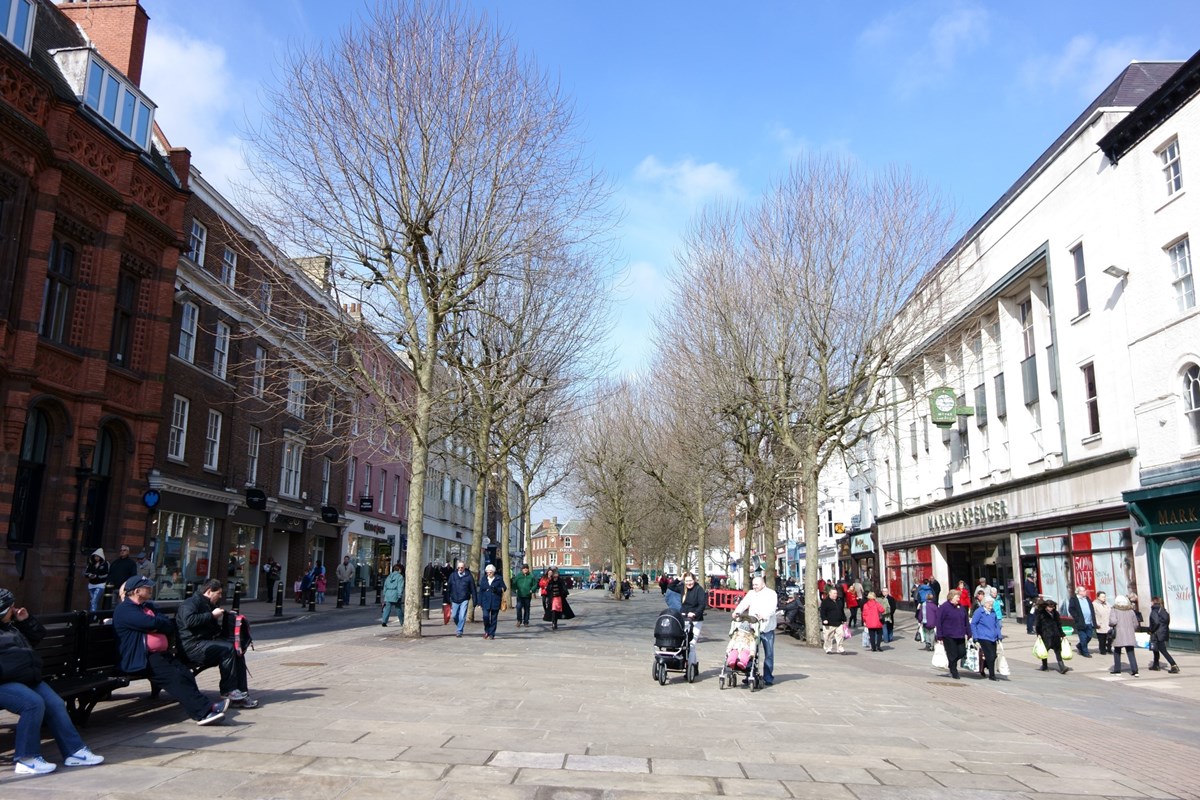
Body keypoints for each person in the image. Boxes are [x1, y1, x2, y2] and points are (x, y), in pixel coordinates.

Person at [0, 588, 105, 776]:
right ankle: (26, 759)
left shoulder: (11, 626)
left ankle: (75, 752)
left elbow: (37, 636)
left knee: (54, 702)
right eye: (11, 606)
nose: (14, 609)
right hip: (4, 682)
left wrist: (26, 620)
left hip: (25, 678)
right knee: (32, 704)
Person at [113, 577, 228, 725]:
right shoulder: (125, 610)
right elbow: (152, 622)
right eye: (147, 587)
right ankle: (203, 713)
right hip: (142, 657)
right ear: (136, 591)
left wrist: (156, 626)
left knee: (185, 674)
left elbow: (167, 624)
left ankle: (207, 706)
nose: (151, 589)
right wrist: (156, 625)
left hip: (160, 655)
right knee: (175, 678)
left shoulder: (147, 607)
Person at [177, 579, 259, 709]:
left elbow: (212, 629)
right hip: (192, 646)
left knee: (237, 650)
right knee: (227, 649)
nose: (220, 596)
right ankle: (229, 691)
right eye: (219, 593)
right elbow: (188, 621)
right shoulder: (191, 603)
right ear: (209, 591)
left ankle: (242, 693)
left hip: (204, 643)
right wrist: (211, 615)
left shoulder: (207, 604)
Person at [731, 576, 778, 685]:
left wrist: (764, 615)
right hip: (753, 628)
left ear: (763, 584)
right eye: (753, 584)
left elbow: (772, 608)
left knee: (769, 654)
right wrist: (737, 612)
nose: (754, 587)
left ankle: (768, 677)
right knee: (750, 652)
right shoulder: (751, 593)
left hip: (767, 628)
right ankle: (749, 674)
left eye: (756, 585)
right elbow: (744, 604)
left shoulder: (771, 593)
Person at [936, 589, 969, 679]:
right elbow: (939, 622)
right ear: (951, 597)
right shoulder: (944, 607)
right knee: (952, 654)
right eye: (957, 597)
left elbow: (966, 620)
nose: (959, 599)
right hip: (949, 635)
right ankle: (954, 671)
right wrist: (939, 636)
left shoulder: (961, 608)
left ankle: (951, 663)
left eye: (959, 597)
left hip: (960, 634)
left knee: (962, 652)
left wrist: (969, 633)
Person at [676, 571, 707, 666]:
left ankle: (691, 667)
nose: (689, 583)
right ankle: (693, 664)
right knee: (682, 642)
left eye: (690, 581)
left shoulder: (699, 589)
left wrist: (695, 613)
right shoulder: (683, 588)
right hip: (683, 617)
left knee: (691, 643)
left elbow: (702, 604)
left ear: (694, 580)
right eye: (686, 581)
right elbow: (670, 587)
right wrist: (679, 579)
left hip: (695, 620)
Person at [971, 594, 1002, 681]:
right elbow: (973, 624)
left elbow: (997, 625)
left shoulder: (993, 612)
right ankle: (992, 675)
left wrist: (999, 635)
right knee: (990, 656)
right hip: (983, 637)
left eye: (992, 603)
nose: (990, 605)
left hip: (993, 637)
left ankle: (984, 665)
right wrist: (975, 636)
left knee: (994, 655)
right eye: (989, 603)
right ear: (984, 603)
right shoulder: (979, 612)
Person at [1035, 598, 1069, 674]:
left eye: (1052, 607)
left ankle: (1062, 667)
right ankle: (1044, 665)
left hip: (1056, 635)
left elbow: (1059, 625)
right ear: (1046, 606)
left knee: (1058, 651)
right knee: (1045, 651)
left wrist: (1062, 635)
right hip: (1046, 635)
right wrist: (1039, 634)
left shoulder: (1056, 613)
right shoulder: (1041, 614)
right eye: (1050, 607)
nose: (1051, 608)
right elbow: (1038, 625)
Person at [1109, 594, 1139, 676]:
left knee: (1117, 651)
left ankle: (1117, 670)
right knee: (1130, 652)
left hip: (1119, 633)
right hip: (1129, 634)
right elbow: (1135, 624)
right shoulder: (1130, 610)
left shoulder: (1114, 610)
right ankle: (1135, 671)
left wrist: (1110, 624)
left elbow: (1113, 621)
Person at [1148, 596, 1180, 673]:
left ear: (1154, 602)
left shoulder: (1154, 611)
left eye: (1152, 601)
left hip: (1157, 633)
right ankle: (1156, 665)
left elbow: (1156, 622)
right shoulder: (1164, 611)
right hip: (1163, 633)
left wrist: (1151, 630)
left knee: (1163, 650)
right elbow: (1167, 622)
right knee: (1155, 649)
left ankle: (1174, 665)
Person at [447, 560, 476, 637]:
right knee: (454, 615)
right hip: (455, 599)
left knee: (462, 616)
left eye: (462, 567)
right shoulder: (453, 576)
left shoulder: (469, 576)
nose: (460, 569)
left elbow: (473, 589)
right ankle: (459, 625)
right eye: (459, 567)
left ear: (464, 568)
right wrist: (446, 599)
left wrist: (475, 600)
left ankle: (459, 631)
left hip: (464, 599)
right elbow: (448, 588)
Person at [477, 564, 506, 639]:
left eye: (490, 572)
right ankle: (487, 630)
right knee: (485, 616)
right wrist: (479, 602)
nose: (488, 574)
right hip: (485, 601)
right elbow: (481, 591)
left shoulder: (499, 578)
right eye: (487, 572)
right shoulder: (484, 579)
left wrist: (497, 589)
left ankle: (492, 633)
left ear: (493, 572)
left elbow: (504, 588)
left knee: (494, 618)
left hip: (495, 600)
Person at [1067, 586, 1096, 658]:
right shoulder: (1074, 599)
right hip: (1081, 622)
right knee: (1083, 638)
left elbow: (1091, 609)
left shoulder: (1087, 599)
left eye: (1085, 590)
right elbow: (1071, 609)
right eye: (1083, 591)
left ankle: (1080, 646)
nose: (1085, 592)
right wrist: (1076, 617)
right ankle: (1085, 652)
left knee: (1089, 636)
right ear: (1078, 592)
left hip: (1089, 621)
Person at [820, 587, 847, 654]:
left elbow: (841, 611)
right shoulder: (825, 602)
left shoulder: (839, 601)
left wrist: (844, 619)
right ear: (830, 594)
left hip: (838, 622)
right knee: (828, 637)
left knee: (841, 635)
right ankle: (828, 649)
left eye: (836, 593)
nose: (835, 595)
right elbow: (822, 612)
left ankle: (840, 649)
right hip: (829, 623)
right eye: (834, 593)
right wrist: (824, 619)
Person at [381, 562, 404, 627]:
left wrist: (385, 594)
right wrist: (400, 595)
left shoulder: (389, 576)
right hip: (395, 593)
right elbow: (400, 587)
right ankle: (402, 622)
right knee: (398, 609)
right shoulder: (400, 577)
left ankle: (384, 621)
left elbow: (385, 586)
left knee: (387, 609)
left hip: (388, 593)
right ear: (399, 570)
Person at [1094, 591, 1112, 655]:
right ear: (1098, 597)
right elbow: (1093, 614)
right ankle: (1102, 650)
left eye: (1104, 596)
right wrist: (1096, 623)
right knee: (1102, 639)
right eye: (1102, 597)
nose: (1104, 598)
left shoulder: (1107, 603)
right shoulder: (1094, 604)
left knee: (1110, 637)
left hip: (1108, 623)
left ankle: (1109, 648)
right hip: (1100, 623)